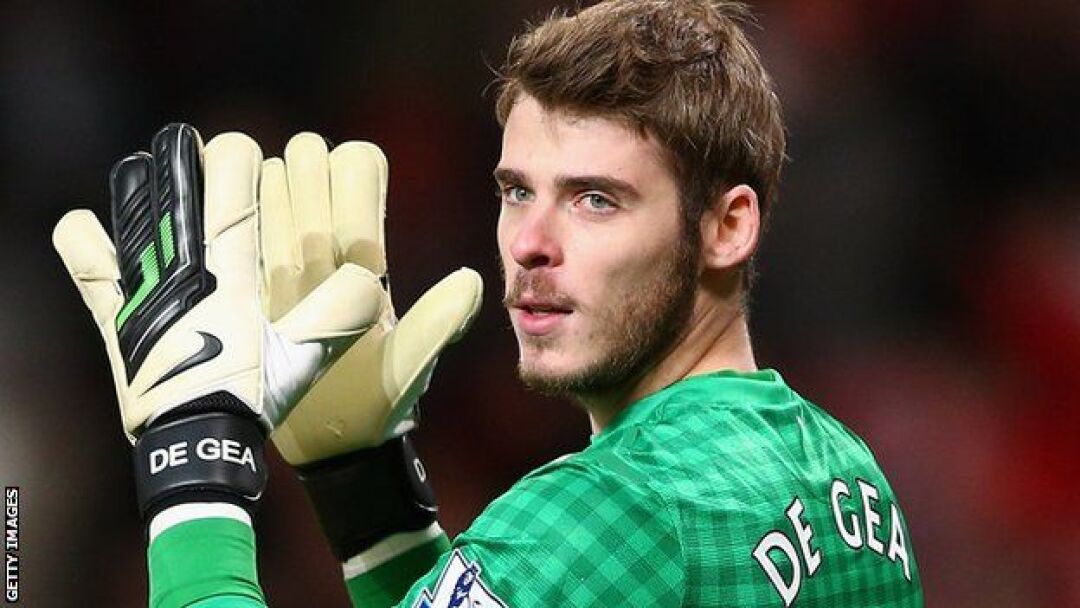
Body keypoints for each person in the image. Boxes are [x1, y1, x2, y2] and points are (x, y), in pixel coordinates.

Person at [53, 1, 923, 606]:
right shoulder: (849, 477)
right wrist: (368, 495)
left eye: (595, 199)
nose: (531, 242)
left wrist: (191, 466)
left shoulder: (610, 511)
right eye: (517, 191)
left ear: (728, 227)